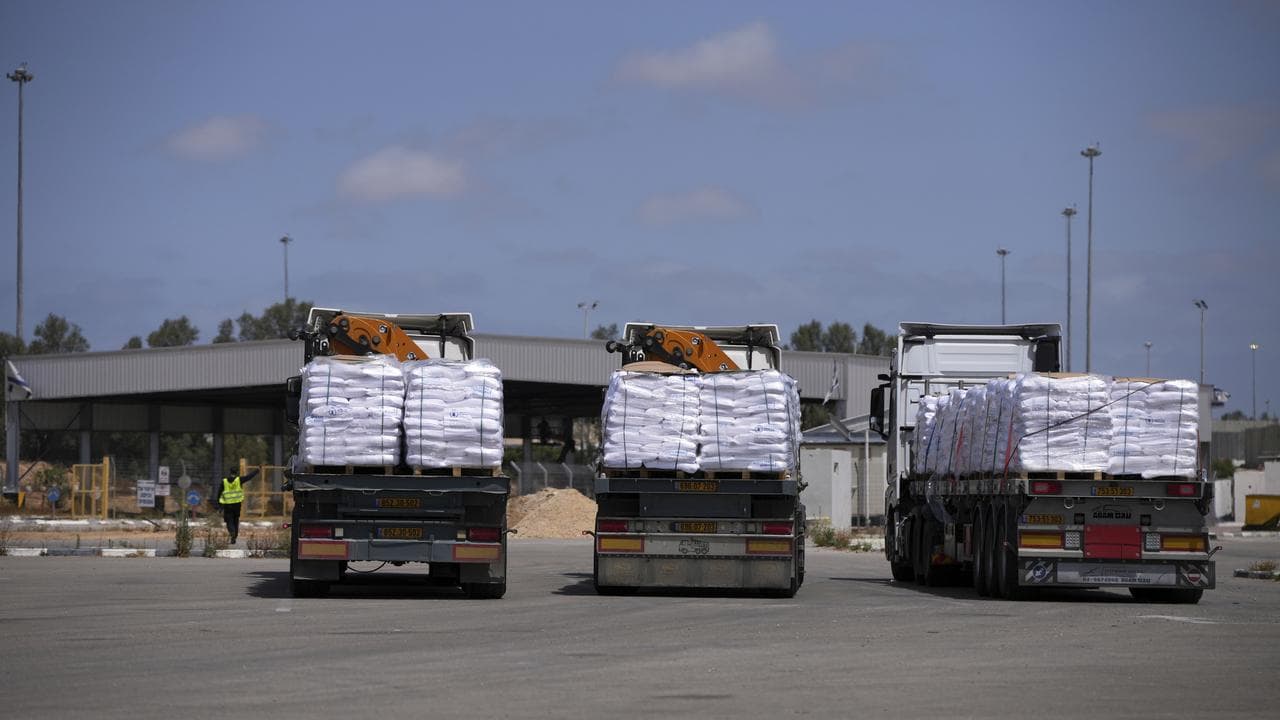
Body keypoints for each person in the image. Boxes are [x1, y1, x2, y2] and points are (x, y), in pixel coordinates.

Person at [216, 467, 259, 544]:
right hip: (237, 505)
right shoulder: (239, 480)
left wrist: (219, 506)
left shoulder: (224, 481)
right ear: (236, 473)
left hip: (227, 505)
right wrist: (257, 470)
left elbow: (219, 494)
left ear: (230, 472)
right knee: (236, 521)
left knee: (229, 521)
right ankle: (234, 536)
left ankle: (232, 532)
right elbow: (248, 477)